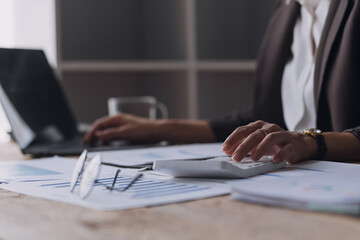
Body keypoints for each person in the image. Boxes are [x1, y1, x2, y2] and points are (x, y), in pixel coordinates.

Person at [83, 0, 360, 163]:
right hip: (291, 184)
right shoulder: (288, 10)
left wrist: (312, 142)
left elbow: (296, 136)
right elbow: (264, 119)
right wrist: (158, 129)